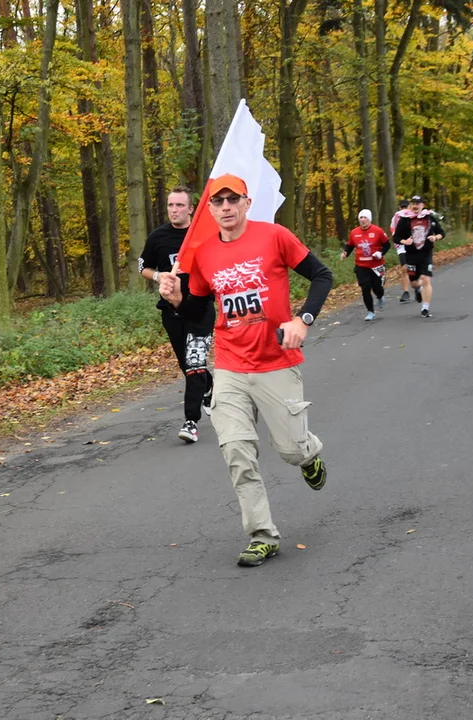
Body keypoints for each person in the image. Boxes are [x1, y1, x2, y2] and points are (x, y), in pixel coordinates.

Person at [157, 173, 332, 568]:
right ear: (211, 210)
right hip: (231, 365)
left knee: (290, 449)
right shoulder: (202, 253)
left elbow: (322, 275)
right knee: (237, 451)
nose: (225, 207)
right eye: (218, 202)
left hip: (276, 362)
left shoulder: (274, 236)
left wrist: (303, 319)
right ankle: (262, 534)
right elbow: (199, 312)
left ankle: (309, 454)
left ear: (246, 203)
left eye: (232, 200)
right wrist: (177, 298)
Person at [139, 187, 215, 444]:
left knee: (195, 363)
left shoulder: (205, 235)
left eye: (180, 205)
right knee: (187, 363)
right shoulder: (158, 237)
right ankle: (208, 385)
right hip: (171, 309)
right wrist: (159, 275)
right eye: (171, 205)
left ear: (191, 208)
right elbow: (143, 267)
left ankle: (191, 421)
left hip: (201, 308)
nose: (174, 210)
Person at [393, 195, 444, 318]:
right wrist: (405, 242)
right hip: (411, 254)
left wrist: (435, 237)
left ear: (423, 205)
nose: (415, 205)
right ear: (411, 206)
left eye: (418, 203)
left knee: (426, 279)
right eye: (413, 203)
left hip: (426, 253)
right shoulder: (405, 220)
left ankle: (425, 309)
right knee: (415, 283)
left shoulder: (429, 218)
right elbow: (396, 237)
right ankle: (418, 289)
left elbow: (441, 232)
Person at [342, 209, 391, 321]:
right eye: (361, 218)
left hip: (376, 265)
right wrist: (345, 253)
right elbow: (350, 246)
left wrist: (381, 253)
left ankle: (380, 296)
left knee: (377, 287)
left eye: (365, 218)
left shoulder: (377, 231)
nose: (363, 220)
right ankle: (370, 311)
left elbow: (387, 245)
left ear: (370, 219)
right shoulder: (354, 232)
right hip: (361, 265)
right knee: (365, 287)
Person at [389, 198, 415, 303]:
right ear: (400, 207)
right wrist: (401, 241)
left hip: (413, 244)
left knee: (412, 267)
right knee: (404, 267)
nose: (404, 209)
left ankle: (417, 286)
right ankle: (406, 292)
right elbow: (393, 231)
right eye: (402, 207)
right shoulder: (396, 217)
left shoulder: (413, 215)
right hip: (402, 245)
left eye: (405, 206)